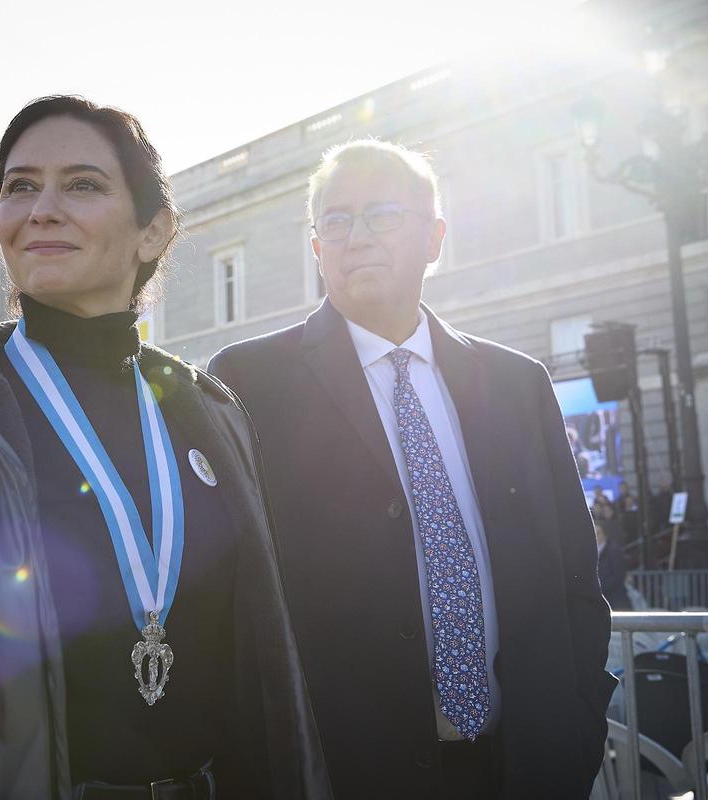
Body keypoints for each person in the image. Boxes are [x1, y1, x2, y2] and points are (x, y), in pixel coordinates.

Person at [0, 95, 328, 800]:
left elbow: (269, 670)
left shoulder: (210, 413)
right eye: (20, 187)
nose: (41, 209)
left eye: (82, 185)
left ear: (153, 232)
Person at [210, 139, 615, 800]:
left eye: (382, 215)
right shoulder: (250, 382)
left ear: (434, 239)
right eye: (336, 221)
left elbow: (573, 578)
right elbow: (229, 602)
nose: (357, 237)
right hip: (346, 773)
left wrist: (578, 729)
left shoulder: (516, 384)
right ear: (316, 248)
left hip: (521, 768)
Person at [595, 524, 630, 611]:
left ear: (604, 534)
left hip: (615, 598)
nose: (596, 536)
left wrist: (601, 587)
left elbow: (619, 575)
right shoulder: (594, 551)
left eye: (598, 533)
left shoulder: (613, 550)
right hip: (603, 597)